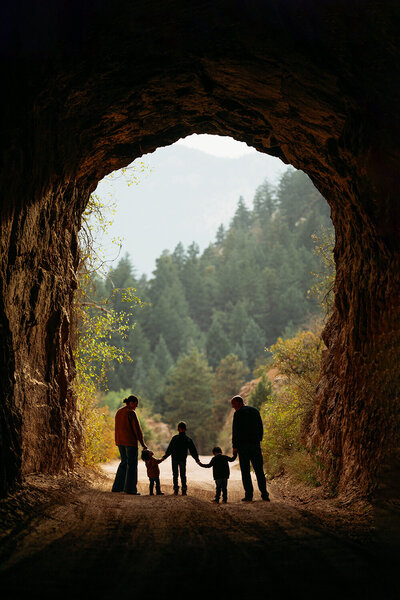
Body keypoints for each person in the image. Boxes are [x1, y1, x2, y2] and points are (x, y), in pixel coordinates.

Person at [231, 395, 270, 502]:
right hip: (255, 445)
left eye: (233, 404)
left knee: (245, 471)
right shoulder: (255, 411)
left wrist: (235, 446)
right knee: (259, 470)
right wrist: (258, 440)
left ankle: (249, 495)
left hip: (243, 447)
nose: (233, 407)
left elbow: (236, 431)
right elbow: (260, 427)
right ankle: (264, 494)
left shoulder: (238, 414)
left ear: (238, 403)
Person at [112, 395, 147, 495]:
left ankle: (117, 487)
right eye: (135, 405)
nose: (136, 407)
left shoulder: (119, 412)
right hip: (130, 443)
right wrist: (142, 443)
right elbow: (137, 430)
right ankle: (130, 489)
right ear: (131, 403)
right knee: (131, 465)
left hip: (120, 442)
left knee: (124, 463)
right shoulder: (131, 413)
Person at [161, 421, 200, 495]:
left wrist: (164, 457)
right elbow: (193, 451)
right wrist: (197, 460)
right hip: (182, 459)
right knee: (183, 474)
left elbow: (169, 450)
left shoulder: (175, 438)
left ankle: (176, 489)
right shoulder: (188, 439)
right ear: (186, 429)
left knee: (175, 474)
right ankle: (184, 490)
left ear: (178, 429)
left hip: (175, 459)